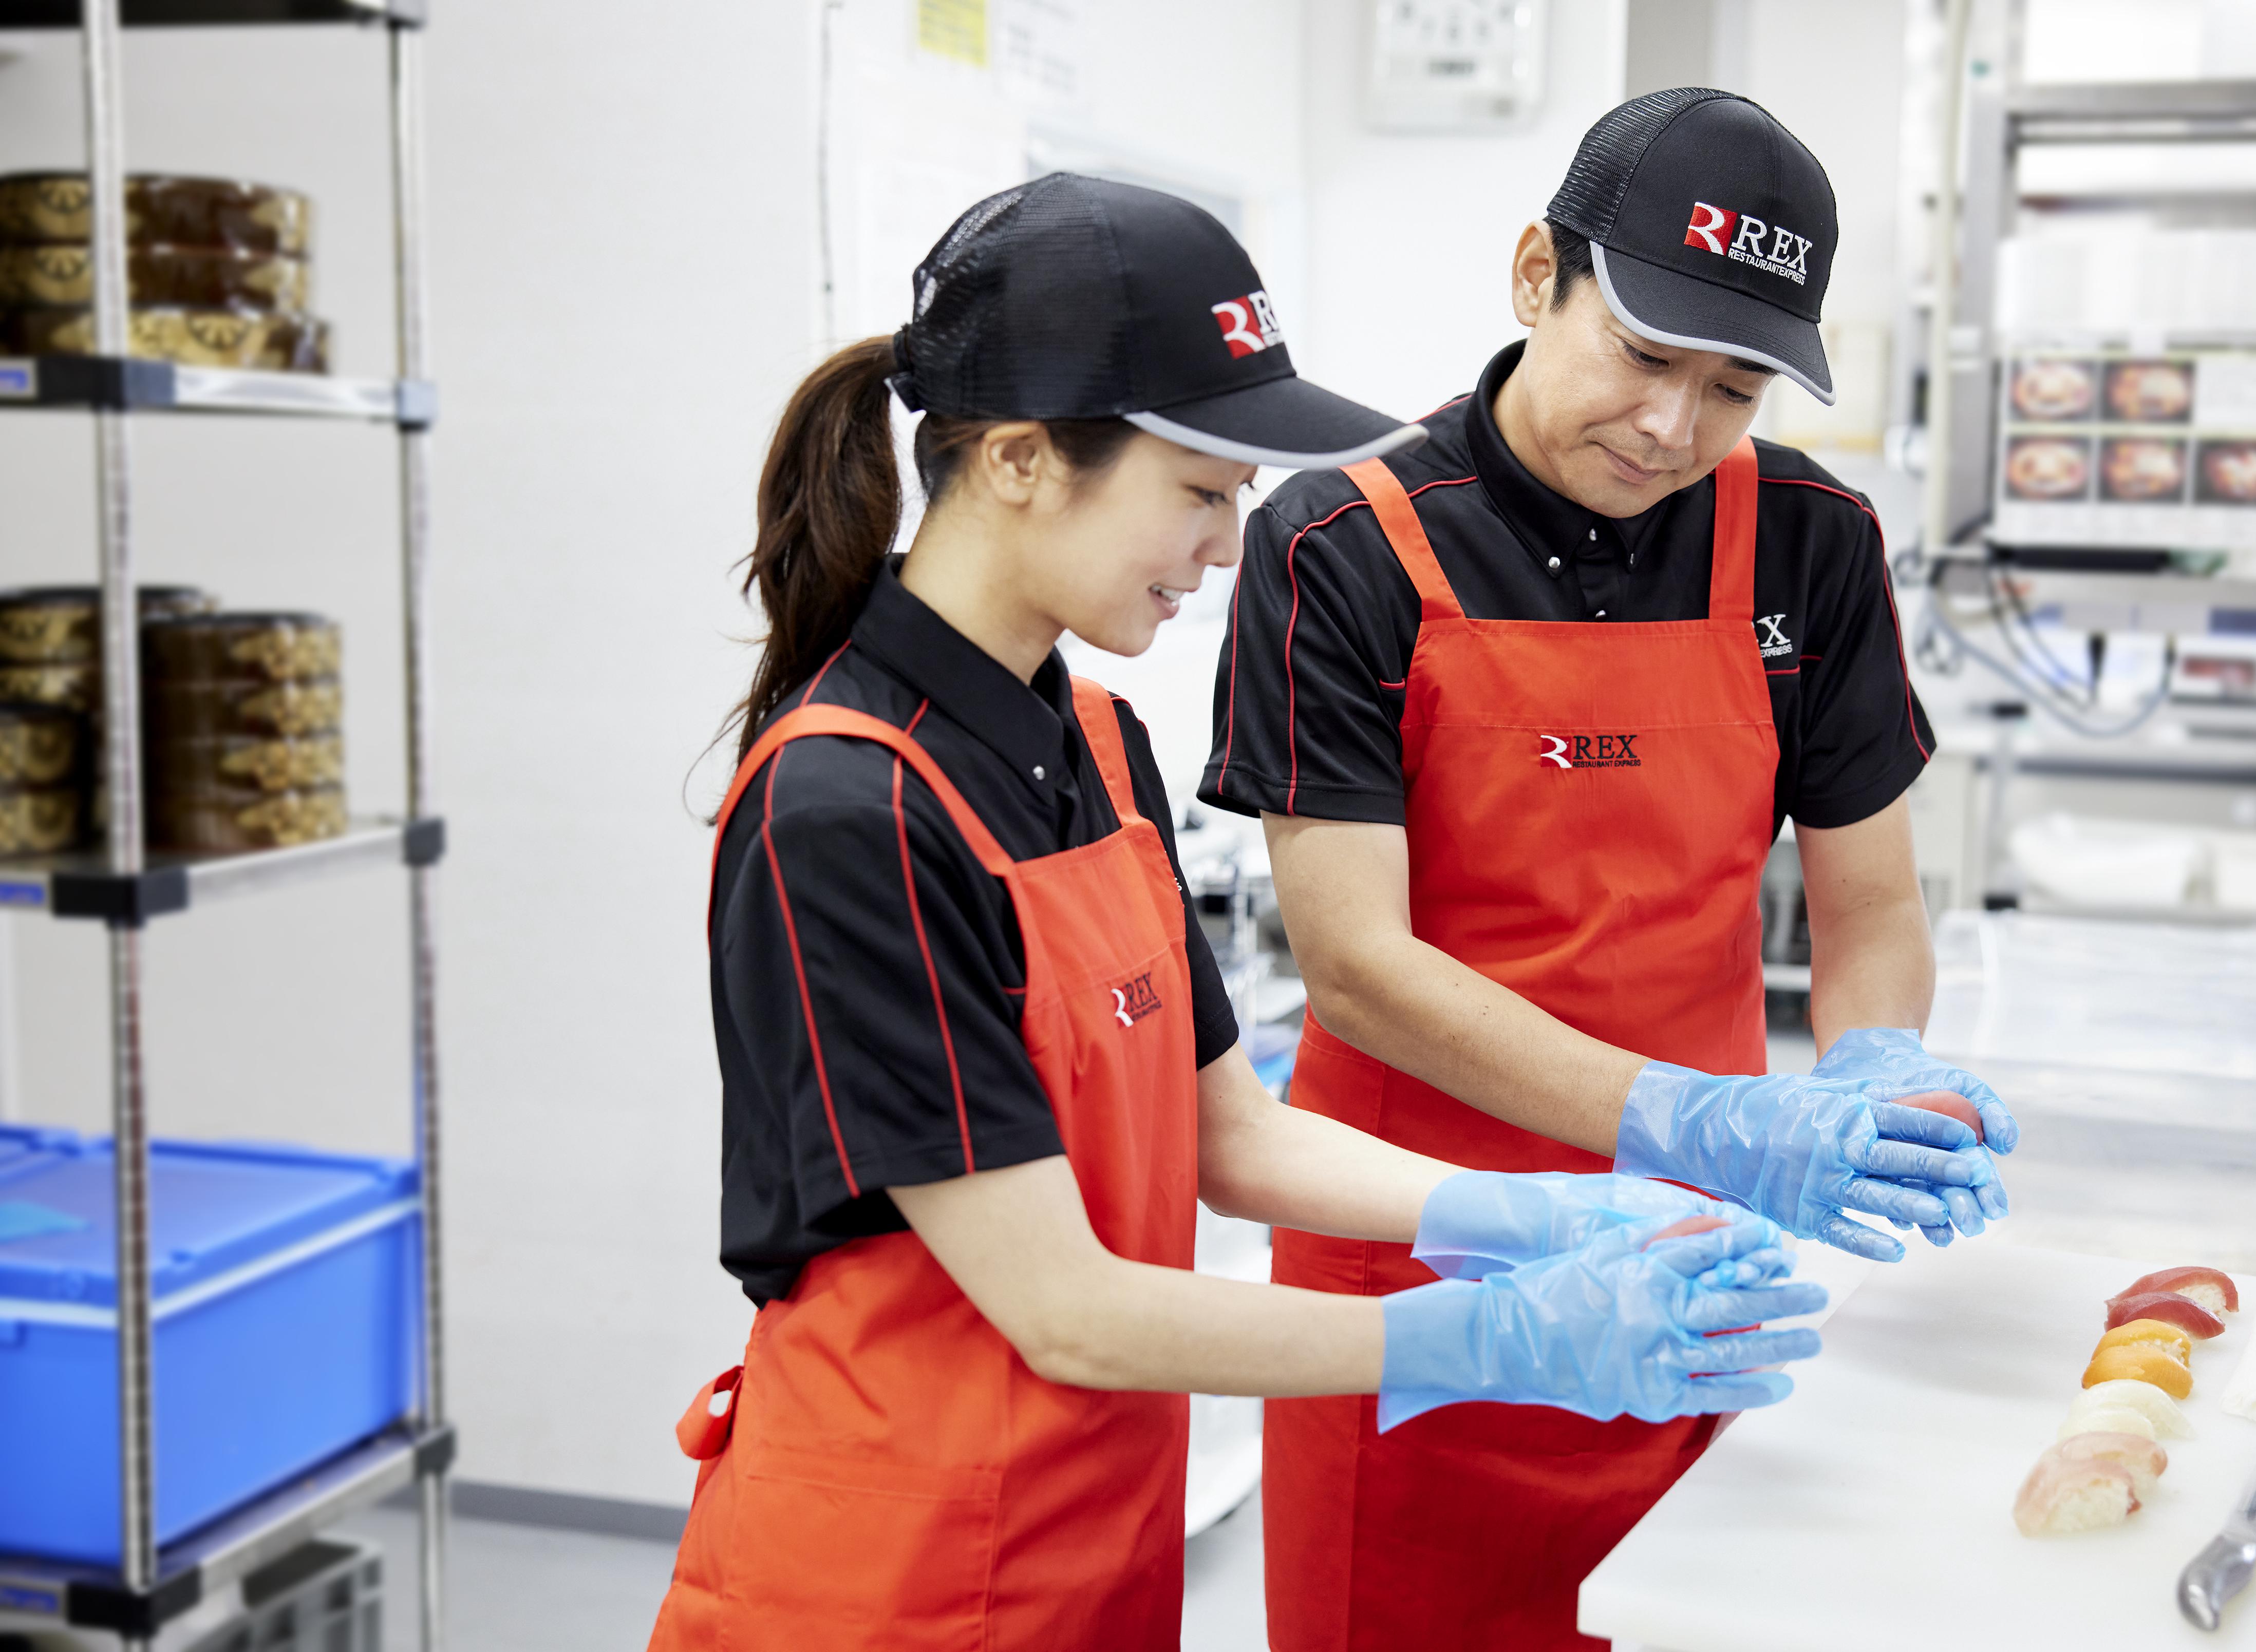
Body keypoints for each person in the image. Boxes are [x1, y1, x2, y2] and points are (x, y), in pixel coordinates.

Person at [645, 174, 1849, 1652]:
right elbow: (1065, 1306)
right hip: (885, 1579)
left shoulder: (1090, 738)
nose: (1226, 550)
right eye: (1202, 490)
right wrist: (1481, 1333)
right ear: (1024, 460)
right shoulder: (849, 809)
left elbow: (1235, 1136)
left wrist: (1537, 1212)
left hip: (1095, 1544)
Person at [1201, 91, 2023, 1650]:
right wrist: (1686, 1116)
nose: (1673, 427)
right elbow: (1359, 968)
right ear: (1536, 276)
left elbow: (1866, 903)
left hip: (1699, 1261)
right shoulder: (1344, 542)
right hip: (1422, 1267)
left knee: (1681, 1614)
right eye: (1644, 355)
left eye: (1735, 388)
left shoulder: (1811, 544)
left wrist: (1871, 1071)